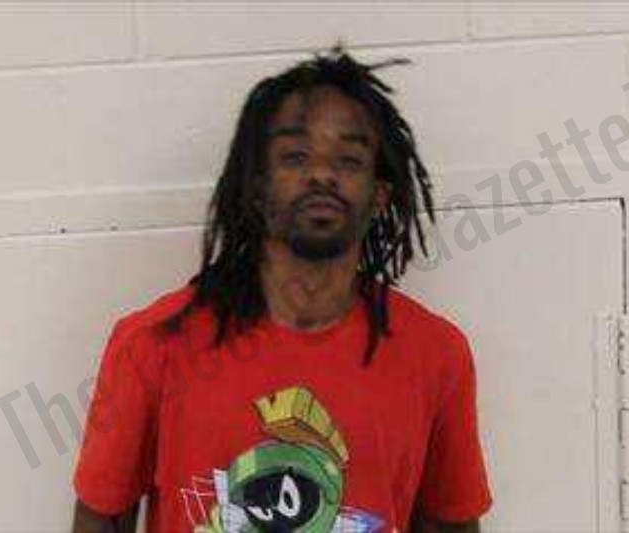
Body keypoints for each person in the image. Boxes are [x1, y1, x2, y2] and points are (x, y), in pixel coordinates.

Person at [72, 46, 493, 533]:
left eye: (349, 159)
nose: (322, 174)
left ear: (379, 195)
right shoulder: (151, 346)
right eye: (295, 156)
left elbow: (451, 524)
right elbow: (99, 521)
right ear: (256, 185)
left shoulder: (436, 355)